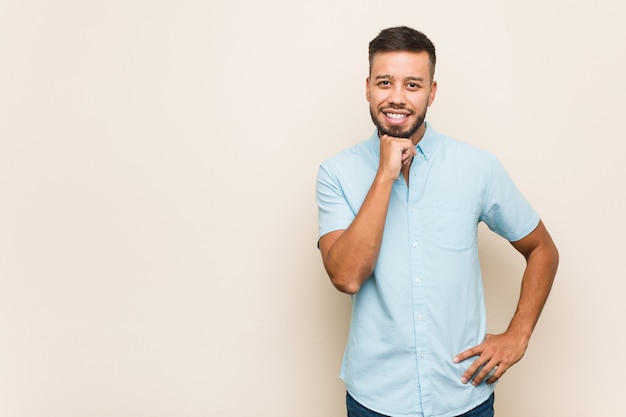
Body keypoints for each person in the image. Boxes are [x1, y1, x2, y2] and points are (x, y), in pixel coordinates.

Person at [315, 26, 559, 417]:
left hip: (463, 397)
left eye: (413, 85)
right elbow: (346, 276)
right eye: (385, 82)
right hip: (376, 401)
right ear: (367, 88)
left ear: (431, 92)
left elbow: (542, 249)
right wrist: (385, 175)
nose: (397, 97)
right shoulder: (336, 174)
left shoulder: (478, 167)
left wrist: (518, 335)